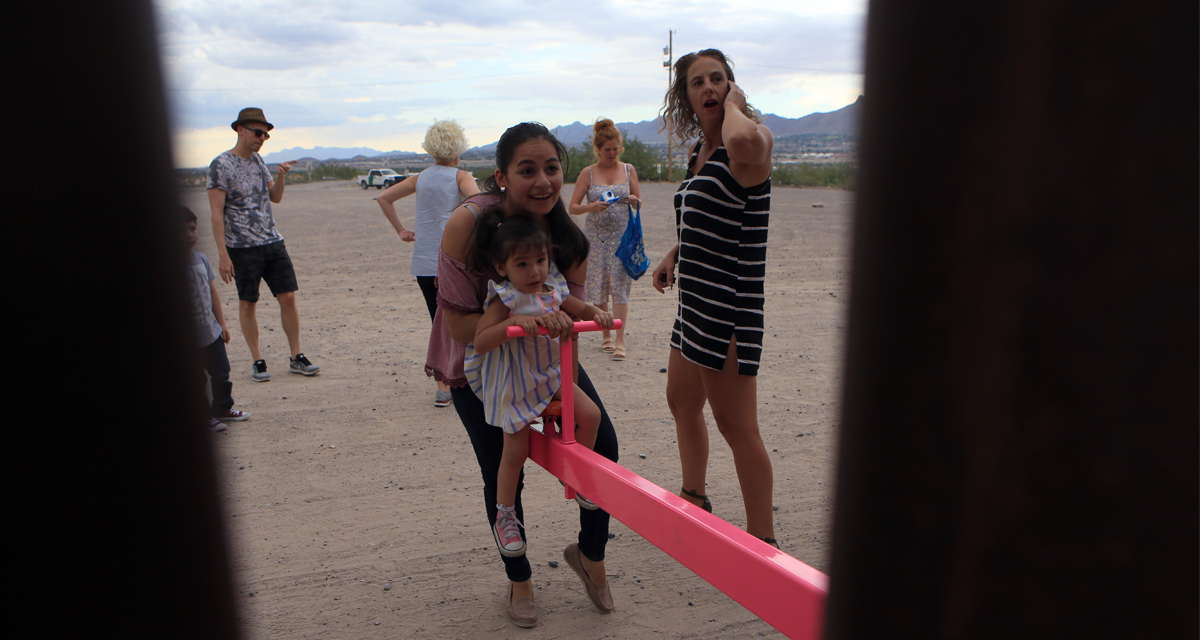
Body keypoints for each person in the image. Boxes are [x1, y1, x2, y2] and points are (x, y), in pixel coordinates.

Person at [426, 122, 620, 627]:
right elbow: (461, 325)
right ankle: (520, 580)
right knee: (500, 465)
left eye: (552, 168)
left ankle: (591, 556)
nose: (542, 181)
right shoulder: (468, 225)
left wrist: (579, 316)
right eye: (526, 170)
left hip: (541, 360)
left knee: (604, 443)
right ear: (501, 177)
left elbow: (568, 307)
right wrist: (520, 321)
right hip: (488, 368)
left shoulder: (567, 237)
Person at [651, 49, 778, 547]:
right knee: (681, 401)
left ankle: (763, 545)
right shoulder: (700, 153)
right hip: (695, 303)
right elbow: (710, 214)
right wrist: (674, 253)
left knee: (736, 425)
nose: (708, 88)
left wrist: (735, 107)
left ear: (732, 87)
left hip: (728, 308)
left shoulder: (750, 142)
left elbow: (743, 137)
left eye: (718, 80)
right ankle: (694, 499)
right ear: (684, 96)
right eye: (697, 82)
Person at [465, 216, 614, 558]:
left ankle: (575, 475)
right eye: (522, 264)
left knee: (589, 415)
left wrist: (596, 312)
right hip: (516, 383)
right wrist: (512, 323)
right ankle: (505, 514)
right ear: (502, 267)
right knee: (514, 453)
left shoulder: (553, 288)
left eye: (540, 261)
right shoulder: (506, 298)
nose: (534, 271)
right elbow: (482, 340)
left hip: (549, 375)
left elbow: (577, 307)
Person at [207, 107, 320, 382]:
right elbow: (215, 213)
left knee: (288, 297)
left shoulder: (258, 161)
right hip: (241, 247)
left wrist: (281, 175)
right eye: (258, 133)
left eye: (266, 135)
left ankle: (296, 357)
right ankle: (257, 360)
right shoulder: (221, 164)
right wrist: (223, 254)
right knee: (248, 303)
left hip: (272, 241)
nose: (262, 138)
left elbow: (275, 198)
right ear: (240, 129)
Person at [377, 119, 480, 407]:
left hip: (424, 262)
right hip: (454, 261)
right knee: (460, 321)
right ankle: (466, 378)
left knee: (437, 321)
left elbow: (384, 198)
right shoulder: (460, 175)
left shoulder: (420, 178)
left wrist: (401, 229)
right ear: (458, 148)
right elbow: (478, 202)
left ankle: (442, 386)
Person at [568, 118, 641, 361]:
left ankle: (620, 340)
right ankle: (605, 334)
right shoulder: (587, 173)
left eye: (615, 149)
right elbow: (573, 207)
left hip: (622, 239)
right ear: (598, 150)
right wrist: (592, 207)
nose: (612, 153)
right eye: (607, 149)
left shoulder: (628, 169)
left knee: (619, 288)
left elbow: (638, 201)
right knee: (599, 287)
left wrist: (633, 201)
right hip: (596, 239)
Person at [182, 206, 250, 432]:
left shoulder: (201, 259)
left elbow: (212, 292)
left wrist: (221, 323)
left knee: (221, 372)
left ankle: (222, 408)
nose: (189, 235)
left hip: (210, 332)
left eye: (193, 229)